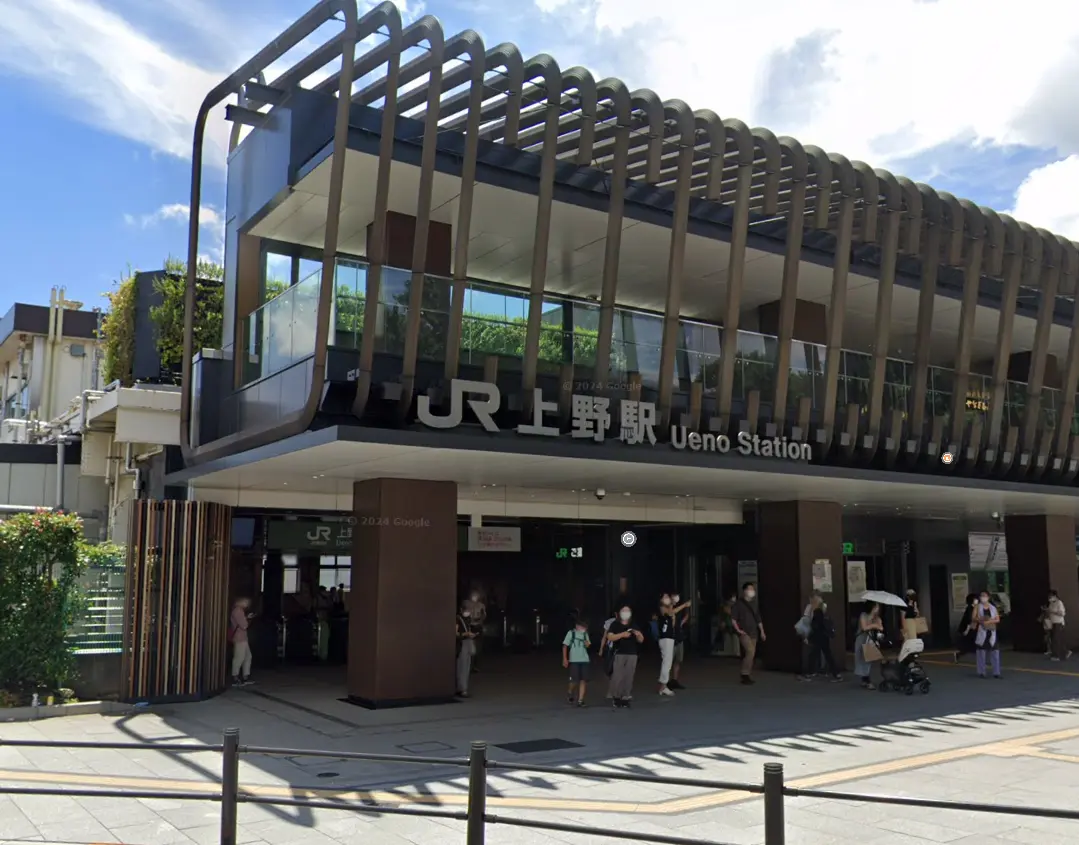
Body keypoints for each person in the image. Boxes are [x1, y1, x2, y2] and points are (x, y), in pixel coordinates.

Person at [606, 605, 644, 708]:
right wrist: (622, 635)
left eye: (627, 611)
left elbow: (641, 640)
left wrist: (638, 635)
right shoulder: (615, 624)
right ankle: (616, 697)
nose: (625, 612)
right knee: (618, 675)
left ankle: (625, 697)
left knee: (629, 675)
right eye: (623, 610)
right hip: (619, 652)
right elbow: (609, 637)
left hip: (632, 653)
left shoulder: (634, 624)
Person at [731, 582, 765, 686]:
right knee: (750, 651)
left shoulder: (754, 604)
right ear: (744, 591)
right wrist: (738, 630)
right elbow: (733, 619)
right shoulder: (738, 604)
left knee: (751, 654)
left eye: (752, 589)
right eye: (749, 589)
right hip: (744, 632)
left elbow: (758, 619)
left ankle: (747, 674)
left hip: (754, 632)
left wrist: (762, 631)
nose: (751, 591)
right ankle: (744, 673)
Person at [853, 601, 884, 689]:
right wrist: (874, 624)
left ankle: (866, 679)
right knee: (861, 658)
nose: (878, 609)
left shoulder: (877, 618)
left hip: (871, 639)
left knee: (868, 659)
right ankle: (865, 679)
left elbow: (881, 627)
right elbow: (864, 627)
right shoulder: (863, 615)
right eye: (876, 607)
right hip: (862, 638)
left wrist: (874, 624)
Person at [562, 617, 592, 707]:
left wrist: (587, 644)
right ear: (577, 626)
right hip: (574, 660)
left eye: (585, 627)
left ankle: (580, 700)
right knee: (574, 680)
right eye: (583, 627)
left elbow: (588, 645)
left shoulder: (585, 634)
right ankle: (570, 691)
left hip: (584, 660)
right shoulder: (571, 633)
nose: (584, 629)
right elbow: (565, 646)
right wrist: (565, 658)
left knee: (583, 680)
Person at [973, 590, 1002, 679]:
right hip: (982, 630)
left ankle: (996, 672)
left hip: (991, 631)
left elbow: (997, 619)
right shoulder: (977, 607)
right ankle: (981, 672)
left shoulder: (993, 608)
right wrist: (981, 620)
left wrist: (989, 621)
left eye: (985, 596)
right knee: (981, 652)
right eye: (981, 596)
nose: (983, 597)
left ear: (988, 597)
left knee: (995, 651)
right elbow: (973, 618)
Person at [229, 597, 255, 686]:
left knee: (247, 656)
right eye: (246, 602)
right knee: (239, 657)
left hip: (242, 637)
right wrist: (248, 619)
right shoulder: (238, 611)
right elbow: (244, 625)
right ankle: (235, 677)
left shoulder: (237, 610)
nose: (247, 604)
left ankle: (245, 676)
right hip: (240, 637)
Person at [656, 596, 677, 697]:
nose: (667, 597)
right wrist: (684, 605)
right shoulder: (662, 609)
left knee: (668, 662)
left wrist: (672, 605)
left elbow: (672, 623)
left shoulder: (668, 610)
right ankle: (663, 686)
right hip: (665, 639)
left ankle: (663, 685)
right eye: (665, 597)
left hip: (669, 638)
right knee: (667, 662)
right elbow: (670, 612)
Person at [455, 604, 478, 698]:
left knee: (466, 667)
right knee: (462, 667)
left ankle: (463, 688)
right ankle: (461, 689)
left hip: (467, 642)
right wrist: (466, 634)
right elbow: (456, 633)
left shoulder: (467, 619)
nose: (468, 612)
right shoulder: (458, 619)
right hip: (462, 643)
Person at [670, 593, 691, 689]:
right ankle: (665, 682)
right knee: (669, 661)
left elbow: (686, 615)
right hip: (670, 637)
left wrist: (681, 623)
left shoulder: (681, 607)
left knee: (678, 660)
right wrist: (685, 605)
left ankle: (674, 680)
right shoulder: (666, 607)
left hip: (679, 636)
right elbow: (672, 612)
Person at [1046, 589, 1071, 661]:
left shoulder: (1059, 603)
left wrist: (1053, 611)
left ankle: (1057, 656)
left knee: (1057, 640)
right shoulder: (1051, 604)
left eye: (1051, 596)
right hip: (1053, 622)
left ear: (1055, 596)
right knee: (1056, 639)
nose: (1050, 598)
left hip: (1059, 623)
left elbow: (1062, 613)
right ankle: (1064, 653)